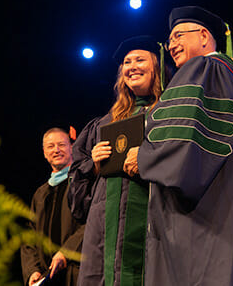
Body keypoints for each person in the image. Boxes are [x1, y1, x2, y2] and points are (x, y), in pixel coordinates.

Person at [123, 6, 233, 285]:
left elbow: (184, 136)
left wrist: (145, 156)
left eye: (179, 35)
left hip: (199, 218)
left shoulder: (205, 68)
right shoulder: (230, 74)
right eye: (170, 40)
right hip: (224, 207)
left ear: (204, 36)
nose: (171, 45)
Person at [67, 35, 168, 286]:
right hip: (104, 223)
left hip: (150, 219)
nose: (131, 66)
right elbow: (77, 177)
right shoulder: (105, 122)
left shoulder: (169, 112)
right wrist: (94, 164)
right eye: (126, 62)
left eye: (140, 60)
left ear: (157, 66)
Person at [21, 127, 84, 286]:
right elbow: (30, 235)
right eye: (50, 146)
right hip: (45, 277)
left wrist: (65, 252)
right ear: (44, 152)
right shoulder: (40, 194)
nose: (56, 150)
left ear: (71, 148)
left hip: (76, 273)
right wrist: (32, 271)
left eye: (62, 145)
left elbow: (92, 223)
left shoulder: (82, 184)